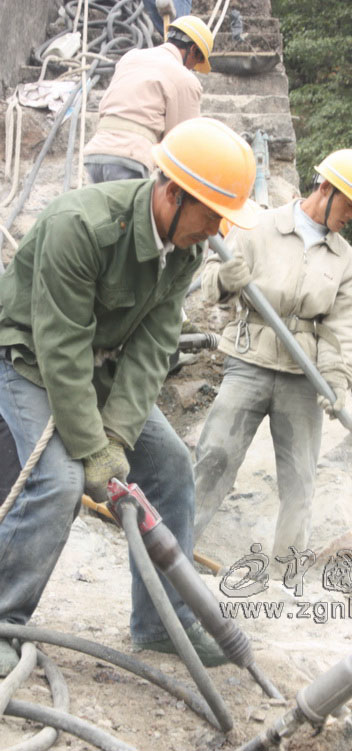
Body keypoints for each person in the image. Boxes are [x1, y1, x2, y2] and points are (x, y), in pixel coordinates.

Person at [0, 117, 257, 676]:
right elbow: (60, 346)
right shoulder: (80, 226)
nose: (217, 230)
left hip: (95, 364)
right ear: (173, 194)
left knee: (170, 466)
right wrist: (93, 450)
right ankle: (5, 622)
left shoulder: (185, 249)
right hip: (26, 356)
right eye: (212, 214)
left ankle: (162, 625)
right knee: (59, 481)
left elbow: (153, 347)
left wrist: (116, 436)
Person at [194, 148, 352, 562]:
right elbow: (209, 285)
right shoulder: (258, 227)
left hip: (302, 377)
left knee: (300, 482)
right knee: (214, 457)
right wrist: (225, 278)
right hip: (249, 362)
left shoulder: (345, 263)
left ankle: (286, 573)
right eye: (351, 204)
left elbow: (346, 331)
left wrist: (338, 381)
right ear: (326, 188)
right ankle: (176, 549)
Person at [83, 15, 213, 182]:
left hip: (96, 153)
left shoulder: (131, 57)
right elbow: (182, 141)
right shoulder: (185, 79)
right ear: (193, 49)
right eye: (197, 60)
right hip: (129, 158)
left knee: (100, 200)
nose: (193, 67)